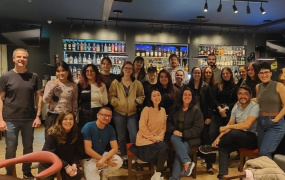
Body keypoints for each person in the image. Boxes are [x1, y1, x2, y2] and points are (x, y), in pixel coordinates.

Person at [199, 86, 260, 179]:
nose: (242, 96)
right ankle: (223, 176)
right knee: (223, 148)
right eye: (240, 94)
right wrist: (218, 138)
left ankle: (212, 148)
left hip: (251, 138)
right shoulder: (236, 108)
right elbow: (229, 124)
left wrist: (228, 127)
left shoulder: (255, 107)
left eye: (245, 94)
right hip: (237, 137)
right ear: (237, 95)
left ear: (251, 95)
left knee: (233, 132)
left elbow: (246, 125)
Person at [0, 48, 42, 179]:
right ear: (13, 59)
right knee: (11, 148)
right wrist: (0, 119)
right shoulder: (5, 77)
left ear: (27, 60)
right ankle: (10, 173)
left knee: (28, 148)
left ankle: (26, 172)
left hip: (29, 118)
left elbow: (39, 97)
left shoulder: (34, 76)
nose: (21, 59)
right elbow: (0, 98)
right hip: (10, 118)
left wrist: (38, 116)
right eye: (18, 57)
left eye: (24, 57)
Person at [108, 61, 144, 168]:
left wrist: (136, 102)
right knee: (121, 137)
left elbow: (141, 96)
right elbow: (111, 96)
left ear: (132, 71)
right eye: (126, 68)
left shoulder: (136, 83)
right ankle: (123, 156)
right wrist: (117, 103)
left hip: (132, 113)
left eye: (130, 68)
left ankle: (133, 157)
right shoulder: (116, 82)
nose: (128, 70)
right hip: (119, 112)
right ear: (122, 69)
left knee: (133, 135)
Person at [129, 88, 168, 180]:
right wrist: (154, 138)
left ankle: (157, 173)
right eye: (154, 96)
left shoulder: (163, 110)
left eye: (158, 95)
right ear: (150, 98)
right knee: (163, 147)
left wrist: (159, 137)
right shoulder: (146, 109)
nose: (156, 97)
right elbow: (142, 127)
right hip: (144, 139)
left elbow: (163, 127)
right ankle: (159, 173)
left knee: (164, 146)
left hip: (157, 140)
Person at [167, 87, 204, 180]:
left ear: (192, 97)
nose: (187, 96)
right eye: (185, 94)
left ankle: (174, 177)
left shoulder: (196, 110)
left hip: (191, 139)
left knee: (180, 152)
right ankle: (187, 161)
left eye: (189, 95)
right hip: (177, 137)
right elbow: (169, 123)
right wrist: (173, 130)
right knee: (174, 137)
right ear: (181, 96)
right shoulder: (175, 108)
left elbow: (197, 128)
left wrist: (183, 134)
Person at [38, 111, 85, 180]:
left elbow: (78, 152)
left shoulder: (77, 133)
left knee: (78, 175)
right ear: (60, 121)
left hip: (67, 164)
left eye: (71, 119)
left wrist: (74, 163)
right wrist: (66, 166)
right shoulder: (53, 133)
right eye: (65, 119)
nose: (68, 121)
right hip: (50, 164)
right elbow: (50, 154)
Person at [81, 107, 123, 180]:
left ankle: (103, 172)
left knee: (118, 161)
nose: (107, 118)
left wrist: (104, 159)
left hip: (101, 155)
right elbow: (88, 150)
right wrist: (104, 160)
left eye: (109, 116)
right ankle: (90, 173)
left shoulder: (110, 128)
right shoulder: (88, 127)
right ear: (98, 115)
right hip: (88, 158)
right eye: (104, 115)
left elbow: (115, 148)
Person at [255, 62, 285, 158]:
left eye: (266, 72)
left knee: (265, 152)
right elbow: (259, 100)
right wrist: (243, 101)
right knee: (262, 153)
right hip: (261, 122)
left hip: (275, 123)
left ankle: (271, 173)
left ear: (271, 73)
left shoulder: (279, 85)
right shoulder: (258, 87)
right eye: (261, 73)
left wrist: (276, 119)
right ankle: (267, 173)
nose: (264, 75)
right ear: (258, 75)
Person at [188, 67, 214, 173]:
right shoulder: (187, 86)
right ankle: (189, 164)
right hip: (190, 118)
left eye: (198, 72)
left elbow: (210, 103)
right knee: (190, 140)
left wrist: (209, 117)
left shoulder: (206, 87)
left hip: (203, 117)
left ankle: (209, 164)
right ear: (192, 74)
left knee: (206, 140)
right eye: (195, 72)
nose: (197, 74)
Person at [43, 61, 78, 138]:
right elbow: (45, 100)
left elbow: (74, 103)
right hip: (53, 116)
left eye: (63, 70)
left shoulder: (73, 85)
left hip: (66, 117)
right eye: (58, 71)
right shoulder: (50, 83)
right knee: (50, 140)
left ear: (67, 71)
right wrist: (53, 86)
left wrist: (75, 118)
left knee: (65, 141)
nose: (61, 73)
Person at [78, 64, 108, 128]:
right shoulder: (80, 85)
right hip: (84, 114)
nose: (89, 73)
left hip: (97, 114)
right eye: (87, 71)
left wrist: (101, 92)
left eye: (92, 71)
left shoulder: (101, 85)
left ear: (96, 72)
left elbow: (105, 102)